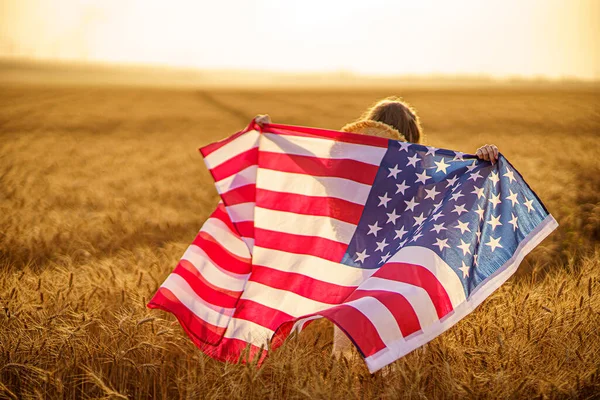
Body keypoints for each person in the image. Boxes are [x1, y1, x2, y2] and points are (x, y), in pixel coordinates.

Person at [254, 96, 499, 358]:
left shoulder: (347, 170)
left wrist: (272, 133)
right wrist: (485, 157)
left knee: (347, 356)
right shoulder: (421, 170)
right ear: (412, 135)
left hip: (357, 277)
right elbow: (461, 183)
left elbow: (309, 163)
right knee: (406, 354)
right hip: (408, 276)